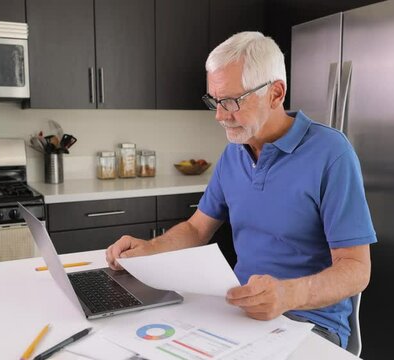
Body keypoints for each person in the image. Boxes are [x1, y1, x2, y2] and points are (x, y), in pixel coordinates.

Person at [106, 31, 376, 349]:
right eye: (215, 101)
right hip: (238, 311)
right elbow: (196, 229)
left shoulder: (331, 153)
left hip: (311, 324)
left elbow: (357, 269)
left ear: (275, 93)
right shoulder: (235, 152)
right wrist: (148, 250)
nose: (220, 116)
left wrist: (287, 294)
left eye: (232, 101)